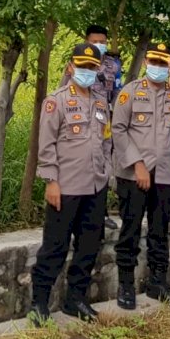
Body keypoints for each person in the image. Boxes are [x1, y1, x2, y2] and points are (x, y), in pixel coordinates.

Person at [111, 43, 170, 310]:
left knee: (160, 231)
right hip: (134, 174)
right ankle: (126, 285)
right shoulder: (130, 93)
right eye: (154, 61)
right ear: (144, 63)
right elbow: (118, 130)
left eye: (165, 64)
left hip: (165, 174)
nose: (158, 67)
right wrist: (137, 164)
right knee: (129, 229)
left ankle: (158, 283)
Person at [30, 43, 113, 324]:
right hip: (65, 188)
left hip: (94, 187)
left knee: (89, 245)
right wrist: (51, 181)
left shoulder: (101, 103)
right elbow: (46, 145)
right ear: (70, 67)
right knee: (55, 246)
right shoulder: (56, 101)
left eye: (92, 67)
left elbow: (106, 143)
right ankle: (39, 303)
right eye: (82, 66)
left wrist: (106, 176)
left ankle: (75, 300)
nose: (87, 72)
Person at [60, 24, 122, 230]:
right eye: (95, 42)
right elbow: (64, 89)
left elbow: (116, 94)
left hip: (103, 121)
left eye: (103, 42)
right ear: (86, 42)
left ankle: (101, 213)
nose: (99, 45)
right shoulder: (77, 63)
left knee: (103, 166)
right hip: (77, 119)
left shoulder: (113, 66)